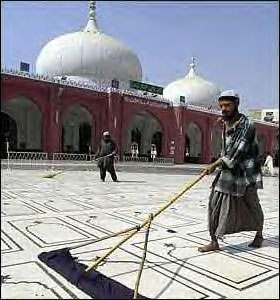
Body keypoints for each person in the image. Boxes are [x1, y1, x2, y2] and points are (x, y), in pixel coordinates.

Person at [198, 90, 264, 253]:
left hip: (246, 174)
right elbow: (225, 151)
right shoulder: (224, 123)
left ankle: (259, 234)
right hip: (228, 172)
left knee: (252, 205)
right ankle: (214, 240)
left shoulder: (247, 124)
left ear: (236, 104)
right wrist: (219, 163)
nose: (224, 109)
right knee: (214, 203)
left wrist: (214, 165)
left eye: (227, 105)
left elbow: (237, 151)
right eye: (221, 106)